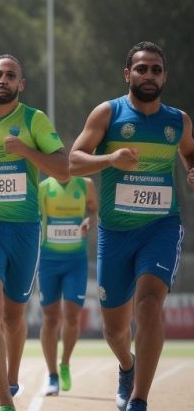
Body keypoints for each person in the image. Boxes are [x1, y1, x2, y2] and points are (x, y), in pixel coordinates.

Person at [68, 41, 193, 411]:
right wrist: (111, 159)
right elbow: (73, 162)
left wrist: (191, 169)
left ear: (164, 76)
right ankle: (127, 364)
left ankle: (139, 398)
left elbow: (190, 152)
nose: (149, 75)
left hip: (160, 227)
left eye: (156, 69)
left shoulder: (178, 121)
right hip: (115, 233)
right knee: (114, 330)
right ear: (128, 74)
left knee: (150, 305)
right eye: (142, 69)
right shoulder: (108, 114)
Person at [0, 54, 69, 410]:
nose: (3, 80)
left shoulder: (34, 120)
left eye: (11, 76)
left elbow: (63, 169)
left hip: (23, 229)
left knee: (13, 314)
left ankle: (13, 375)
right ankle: (5, 400)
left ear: (21, 84)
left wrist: (26, 150)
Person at [37, 174, 97, 396]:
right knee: (51, 318)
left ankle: (65, 363)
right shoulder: (43, 188)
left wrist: (90, 220)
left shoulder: (85, 185)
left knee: (72, 316)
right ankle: (52, 375)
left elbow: (94, 209)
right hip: (48, 262)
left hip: (76, 262)